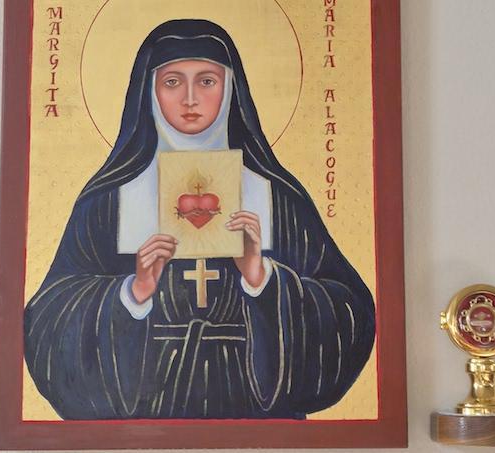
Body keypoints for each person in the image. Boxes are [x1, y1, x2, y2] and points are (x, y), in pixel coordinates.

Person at [24, 19, 376, 420]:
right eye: (172, 82)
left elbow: (349, 313)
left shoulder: (276, 197)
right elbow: (48, 321)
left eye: (207, 81)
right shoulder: (108, 202)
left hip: (256, 420)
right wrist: (131, 294)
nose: (190, 99)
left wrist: (263, 279)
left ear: (230, 89)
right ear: (149, 91)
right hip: (146, 421)